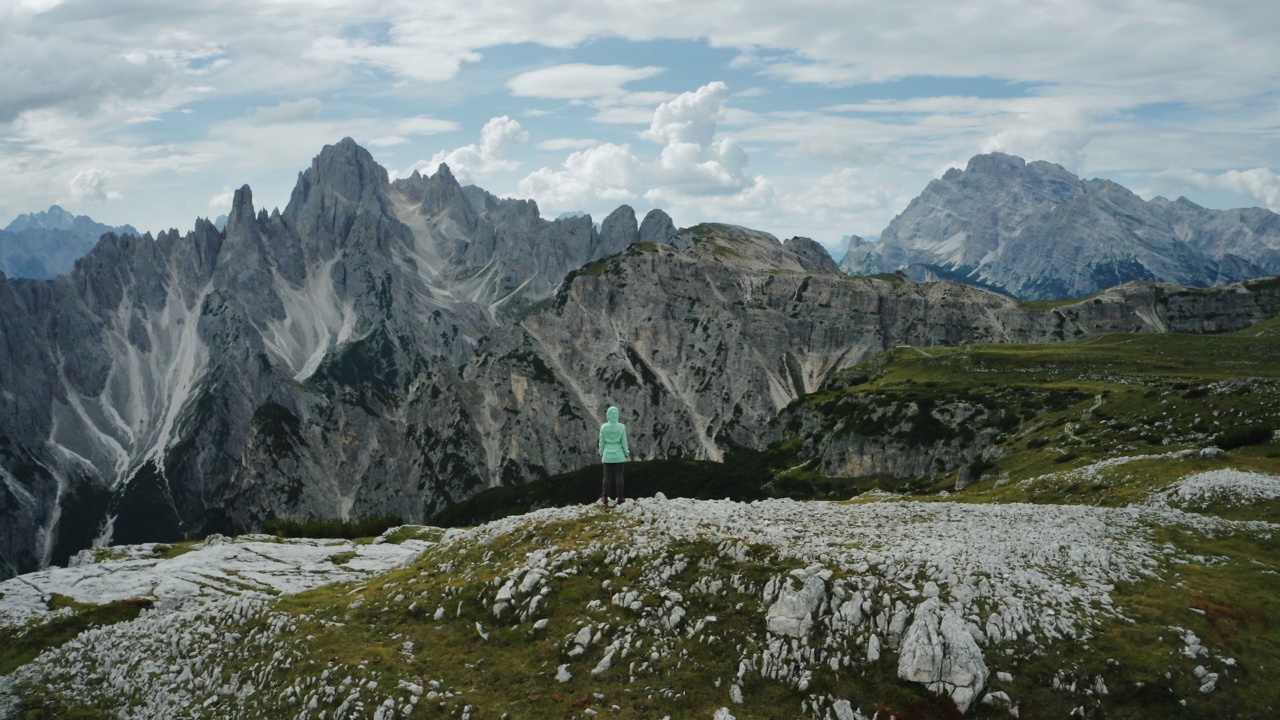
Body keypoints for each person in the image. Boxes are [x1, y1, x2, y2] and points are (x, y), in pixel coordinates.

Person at [598, 405, 630, 505]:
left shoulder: (603, 427)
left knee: (607, 476)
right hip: (619, 454)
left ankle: (605, 496)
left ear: (608, 415)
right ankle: (620, 497)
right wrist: (626, 452)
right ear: (616, 415)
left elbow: (601, 442)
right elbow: (624, 441)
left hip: (607, 454)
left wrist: (601, 451)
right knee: (619, 476)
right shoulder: (621, 427)